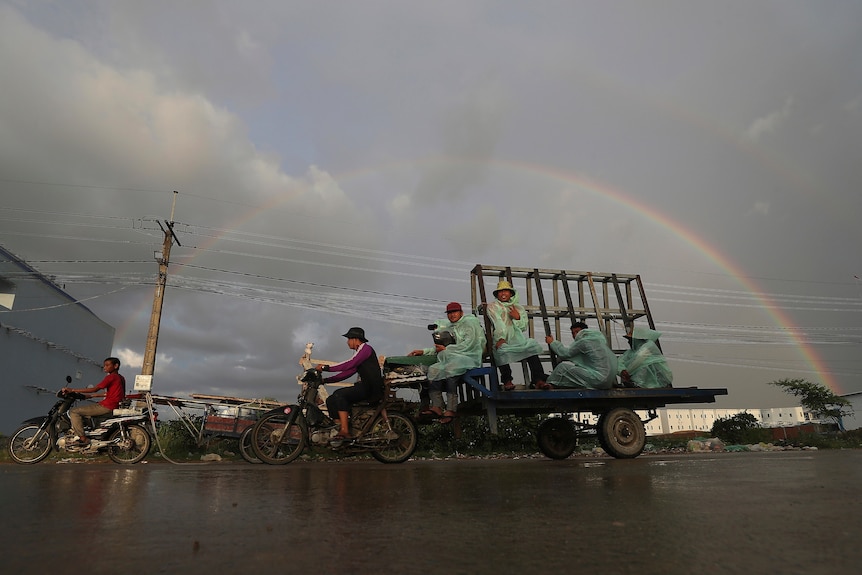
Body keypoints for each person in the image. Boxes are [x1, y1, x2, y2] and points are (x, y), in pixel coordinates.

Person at [409, 302, 484, 424]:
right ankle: (437, 407)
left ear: (461, 313)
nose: (452, 315)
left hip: (468, 356)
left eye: (454, 312)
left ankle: (451, 409)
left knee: (451, 369)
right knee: (434, 370)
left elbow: (470, 344)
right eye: (449, 313)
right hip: (452, 357)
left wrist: (447, 350)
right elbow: (441, 347)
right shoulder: (451, 328)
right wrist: (423, 351)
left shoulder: (469, 324)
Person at [315, 327, 385, 440]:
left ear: (355, 339)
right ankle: (338, 429)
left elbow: (349, 364)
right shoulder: (360, 353)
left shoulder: (365, 349)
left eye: (348, 339)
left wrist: (325, 367)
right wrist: (326, 381)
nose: (347, 342)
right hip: (365, 386)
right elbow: (347, 373)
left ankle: (345, 431)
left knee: (339, 395)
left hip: (371, 387)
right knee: (331, 400)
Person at [485, 280, 547, 391]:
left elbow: (523, 326)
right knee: (500, 351)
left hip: (517, 338)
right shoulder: (493, 306)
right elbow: (498, 322)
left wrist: (517, 317)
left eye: (506, 291)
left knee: (531, 348)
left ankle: (538, 380)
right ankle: (507, 380)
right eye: (500, 291)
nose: (503, 293)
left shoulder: (518, 308)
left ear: (511, 293)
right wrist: (501, 338)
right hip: (501, 337)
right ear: (497, 294)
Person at [61, 357, 126, 447]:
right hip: (114, 405)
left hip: (106, 406)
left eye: (107, 365)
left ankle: (83, 439)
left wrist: (72, 390)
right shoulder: (121, 378)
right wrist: (91, 396)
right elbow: (111, 393)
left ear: (115, 366)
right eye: (104, 366)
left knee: (74, 411)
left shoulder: (110, 377)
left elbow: (94, 389)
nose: (104, 367)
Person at [540, 322, 618, 390]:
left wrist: (552, 342)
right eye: (572, 333)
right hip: (607, 382)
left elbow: (565, 354)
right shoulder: (597, 340)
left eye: (577, 332)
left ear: (584, 331)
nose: (575, 335)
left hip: (597, 379)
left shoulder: (584, 342)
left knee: (562, 367)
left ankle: (549, 384)